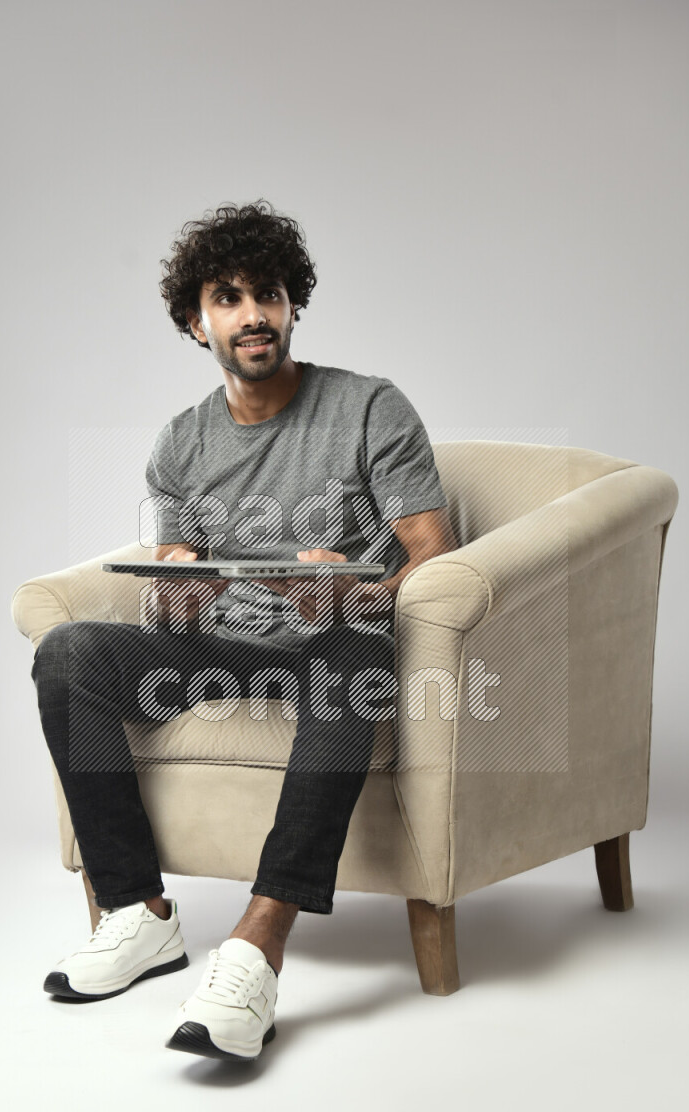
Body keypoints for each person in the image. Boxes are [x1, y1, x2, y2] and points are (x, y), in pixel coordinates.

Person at [30, 199, 457, 1062]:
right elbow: (176, 576)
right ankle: (136, 913)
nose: (253, 314)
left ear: (293, 305)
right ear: (198, 322)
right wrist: (179, 592)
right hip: (225, 648)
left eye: (268, 294)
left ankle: (259, 944)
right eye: (228, 297)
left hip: (336, 643)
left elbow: (433, 557)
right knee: (68, 653)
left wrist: (352, 595)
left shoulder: (371, 408)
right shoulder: (180, 444)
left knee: (350, 657)